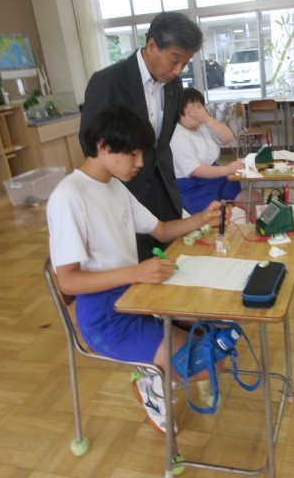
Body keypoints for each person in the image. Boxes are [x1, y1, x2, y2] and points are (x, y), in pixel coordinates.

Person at [50, 104, 228, 435]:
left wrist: (201, 218)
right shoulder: (69, 196)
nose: (141, 162)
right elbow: (68, 281)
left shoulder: (114, 185)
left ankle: (155, 373)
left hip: (138, 298)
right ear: (103, 146)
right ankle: (152, 384)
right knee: (210, 363)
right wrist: (135, 273)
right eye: (133, 153)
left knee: (217, 328)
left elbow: (162, 230)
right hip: (106, 320)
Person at [79, 12, 203, 260]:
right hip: (126, 190)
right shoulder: (108, 82)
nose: (178, 71)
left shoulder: (174, 86)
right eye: (174, 60)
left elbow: (162, 141)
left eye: (185, 63)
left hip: (165, 190)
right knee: (137, 265)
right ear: (152, 45)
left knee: (174, 260)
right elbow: (90, 142)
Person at [170, 88, 262, 221]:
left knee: (255, 199)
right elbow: (195, 170)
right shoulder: (177, 135)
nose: (198, 112)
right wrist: (226, 169)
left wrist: (208, 119)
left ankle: (257, 230)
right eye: (192, 108)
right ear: (179, 112)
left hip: (216, 177)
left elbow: (228, 138)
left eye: (200, 107)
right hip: (192, 186)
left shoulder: (203, 125)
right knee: (218, 218)